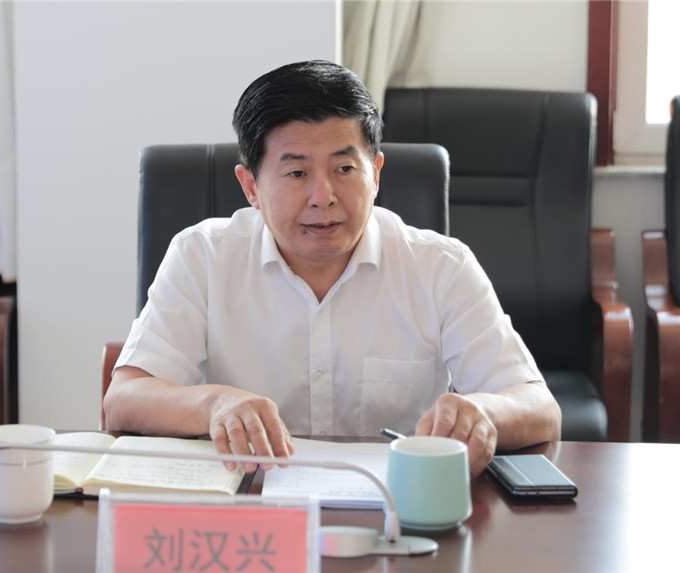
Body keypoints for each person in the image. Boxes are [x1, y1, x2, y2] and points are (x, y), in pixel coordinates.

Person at [103, 60, 561, 477]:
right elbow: (123, 400)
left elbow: (538, 407)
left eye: (344, 169)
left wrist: (483, 414)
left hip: (399, 509)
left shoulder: (441, 267)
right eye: (297, 174)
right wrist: (214, 404)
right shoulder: (203, 256)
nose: (323, 197)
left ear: (375, 173)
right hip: (249, 512)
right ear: (251, 187)